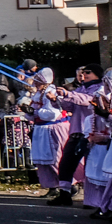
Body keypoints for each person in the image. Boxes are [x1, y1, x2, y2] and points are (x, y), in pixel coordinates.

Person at [56, 65, 102, 204]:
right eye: (82, 72)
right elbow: (70, 106)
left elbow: (88, 100)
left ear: (97, 74)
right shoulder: (80, 88)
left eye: (88, 72)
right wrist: (58, 99)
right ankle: (64, 193)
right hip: (76, 130)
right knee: (66, 163)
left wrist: (69, 94)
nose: (84, 75)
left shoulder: (100, 88)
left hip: (91, 132)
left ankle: (92, 198)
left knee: (91, 165)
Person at [26, 68, 72, 202]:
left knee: (55, 159)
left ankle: (66, 186)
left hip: (52, 128)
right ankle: (52, 187)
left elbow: (52, 114)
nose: (35, 82)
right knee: (43, 160)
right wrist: (28, 111)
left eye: (38, 80)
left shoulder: (51, 92)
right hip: (41, 129)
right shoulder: (39, 93)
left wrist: (35, 112)